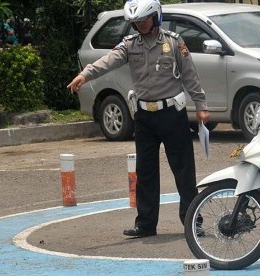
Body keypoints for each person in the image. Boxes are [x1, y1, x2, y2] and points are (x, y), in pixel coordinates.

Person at [67, 0, 209, 237]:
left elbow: (190, 76)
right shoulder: (129, 45)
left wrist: (201, 106)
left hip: (172, 114)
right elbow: (107, 61)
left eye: (144, 20)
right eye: (136, 22)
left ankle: (192, 220)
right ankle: (145, 224)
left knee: (183, 170)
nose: (140, 26)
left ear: (156, 17)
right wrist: (84, 75)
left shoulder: (174, 42)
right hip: (144, 116)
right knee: (145, 171)